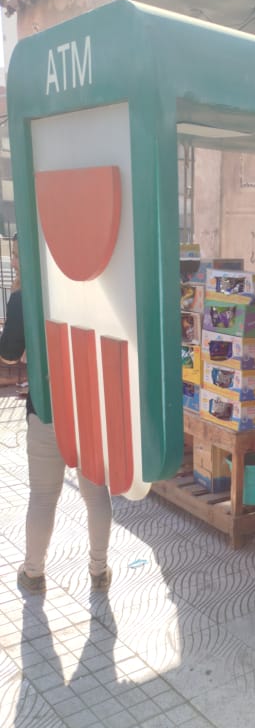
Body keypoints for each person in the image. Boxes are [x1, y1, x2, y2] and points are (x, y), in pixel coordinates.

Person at [0, 233, 113, 595]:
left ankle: (33, 573)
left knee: (43, 497)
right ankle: (98, 570)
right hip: (89, 409)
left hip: (46, 408)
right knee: (96, 494)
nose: (13, 262)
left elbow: (8, 354)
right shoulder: (90, 290)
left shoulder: (23, 299)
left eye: (16, 256)